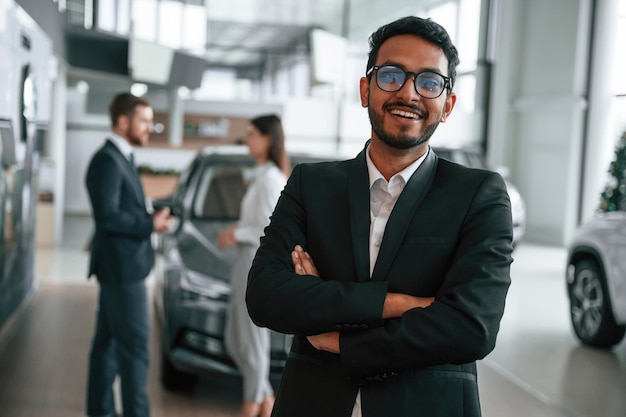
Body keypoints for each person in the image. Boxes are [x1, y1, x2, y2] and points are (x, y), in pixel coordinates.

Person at [246, 16, 513, 417]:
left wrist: (337, 338)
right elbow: (266, 297)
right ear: (365, 88)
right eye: (391, 76)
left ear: (448, 105)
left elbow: (471, 327)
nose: (408, 93)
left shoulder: (478, 195)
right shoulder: (311, 185)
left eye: (428, 82)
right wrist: (396, 304)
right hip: (314, 402)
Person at [85, 92, 172, 417]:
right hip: (123, 272)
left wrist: (149, 220)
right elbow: (107, 218)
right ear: (123, 121)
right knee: (135, 353)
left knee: (106, 350)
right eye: (145, 120)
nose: (150, 127)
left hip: (122, 269)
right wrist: (148, 223)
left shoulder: (122, 157)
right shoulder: (108, 160)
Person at [217, 114, 290, 417]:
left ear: (267, 139)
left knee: (250, 341)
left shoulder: (271, 178)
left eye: (251, 134)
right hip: (244, 258)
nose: (246, 139)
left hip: (254, 259)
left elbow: (271, 228)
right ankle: (266, 401)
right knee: (236, 340)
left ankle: (251, 405)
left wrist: (238, 233)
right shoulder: (261, 175)